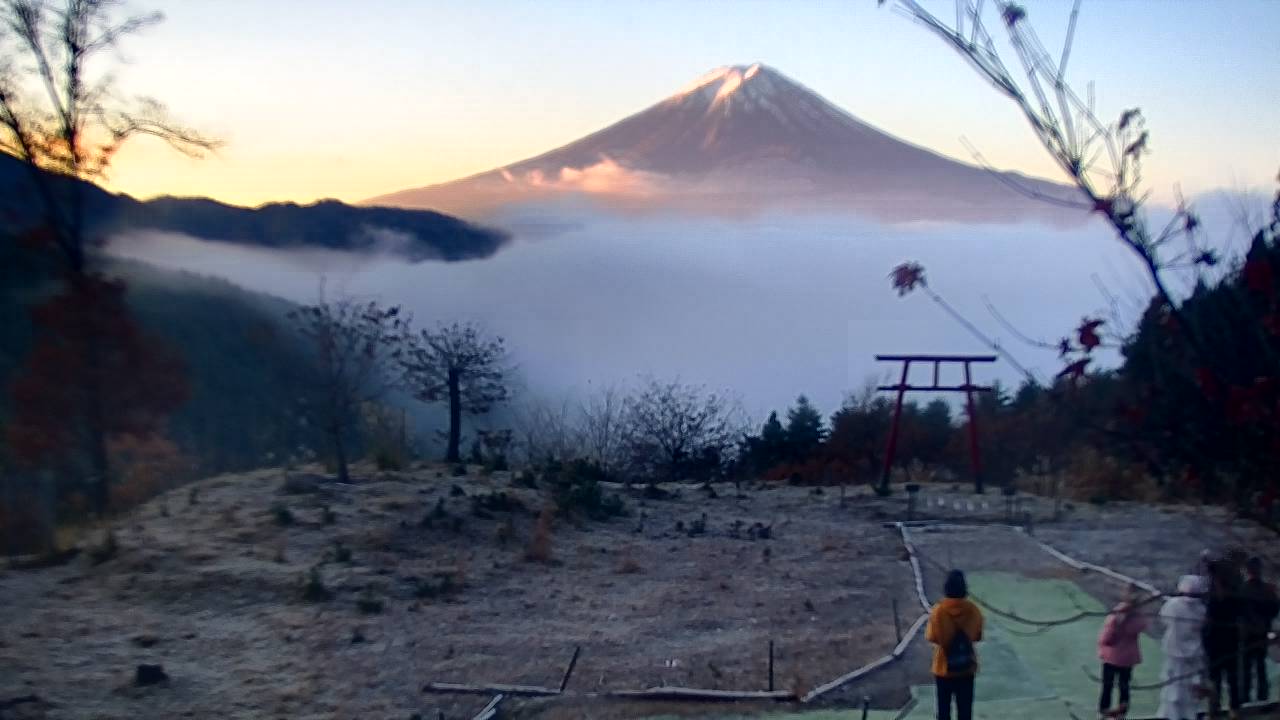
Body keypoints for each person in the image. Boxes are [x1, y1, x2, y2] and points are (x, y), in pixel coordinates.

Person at [926, 570, 984, 720]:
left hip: (943, 668)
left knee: (943, 712)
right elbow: (977, 636)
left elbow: (931, 637)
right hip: (966, 668)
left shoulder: (939, 611)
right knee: (965, 712)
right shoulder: (973, 610)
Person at [1157, 575, 1208, 720]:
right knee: (1190, 687)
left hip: (1175, 650)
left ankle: (1172, 715)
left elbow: (1164, 620)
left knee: (1173, 687)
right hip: (1193, 652)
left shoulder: (1172, 605)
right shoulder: (1201, 609)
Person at [1097, 584, 1149, 718]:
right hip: (1127, 658)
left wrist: (1102, 644)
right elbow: (1142, 626)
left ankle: (1104, 710)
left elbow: (1107, 636)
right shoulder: (1137, 618)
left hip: (1111, 657)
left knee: (1107, 685)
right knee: (1124, 686)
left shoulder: (1115, 616)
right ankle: (1122, 711)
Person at [1204, 559, 1244, 718]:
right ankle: (1218, 707)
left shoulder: (1224, 595)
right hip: (1221, 641)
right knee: (1219, 677)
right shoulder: (1216, 593)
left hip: (1224, 640)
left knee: (1226, 677)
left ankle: (1228, 708)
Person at [1242, 557, 1279, 702]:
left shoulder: (1242, 589)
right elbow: (1274, 609)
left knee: (1246, 666)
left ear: (1247, 571)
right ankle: (1263, 696)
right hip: (1262, 631)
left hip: (1246, 633)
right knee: (1261, 665)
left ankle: (1244, 697)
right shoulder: (1268, 589)